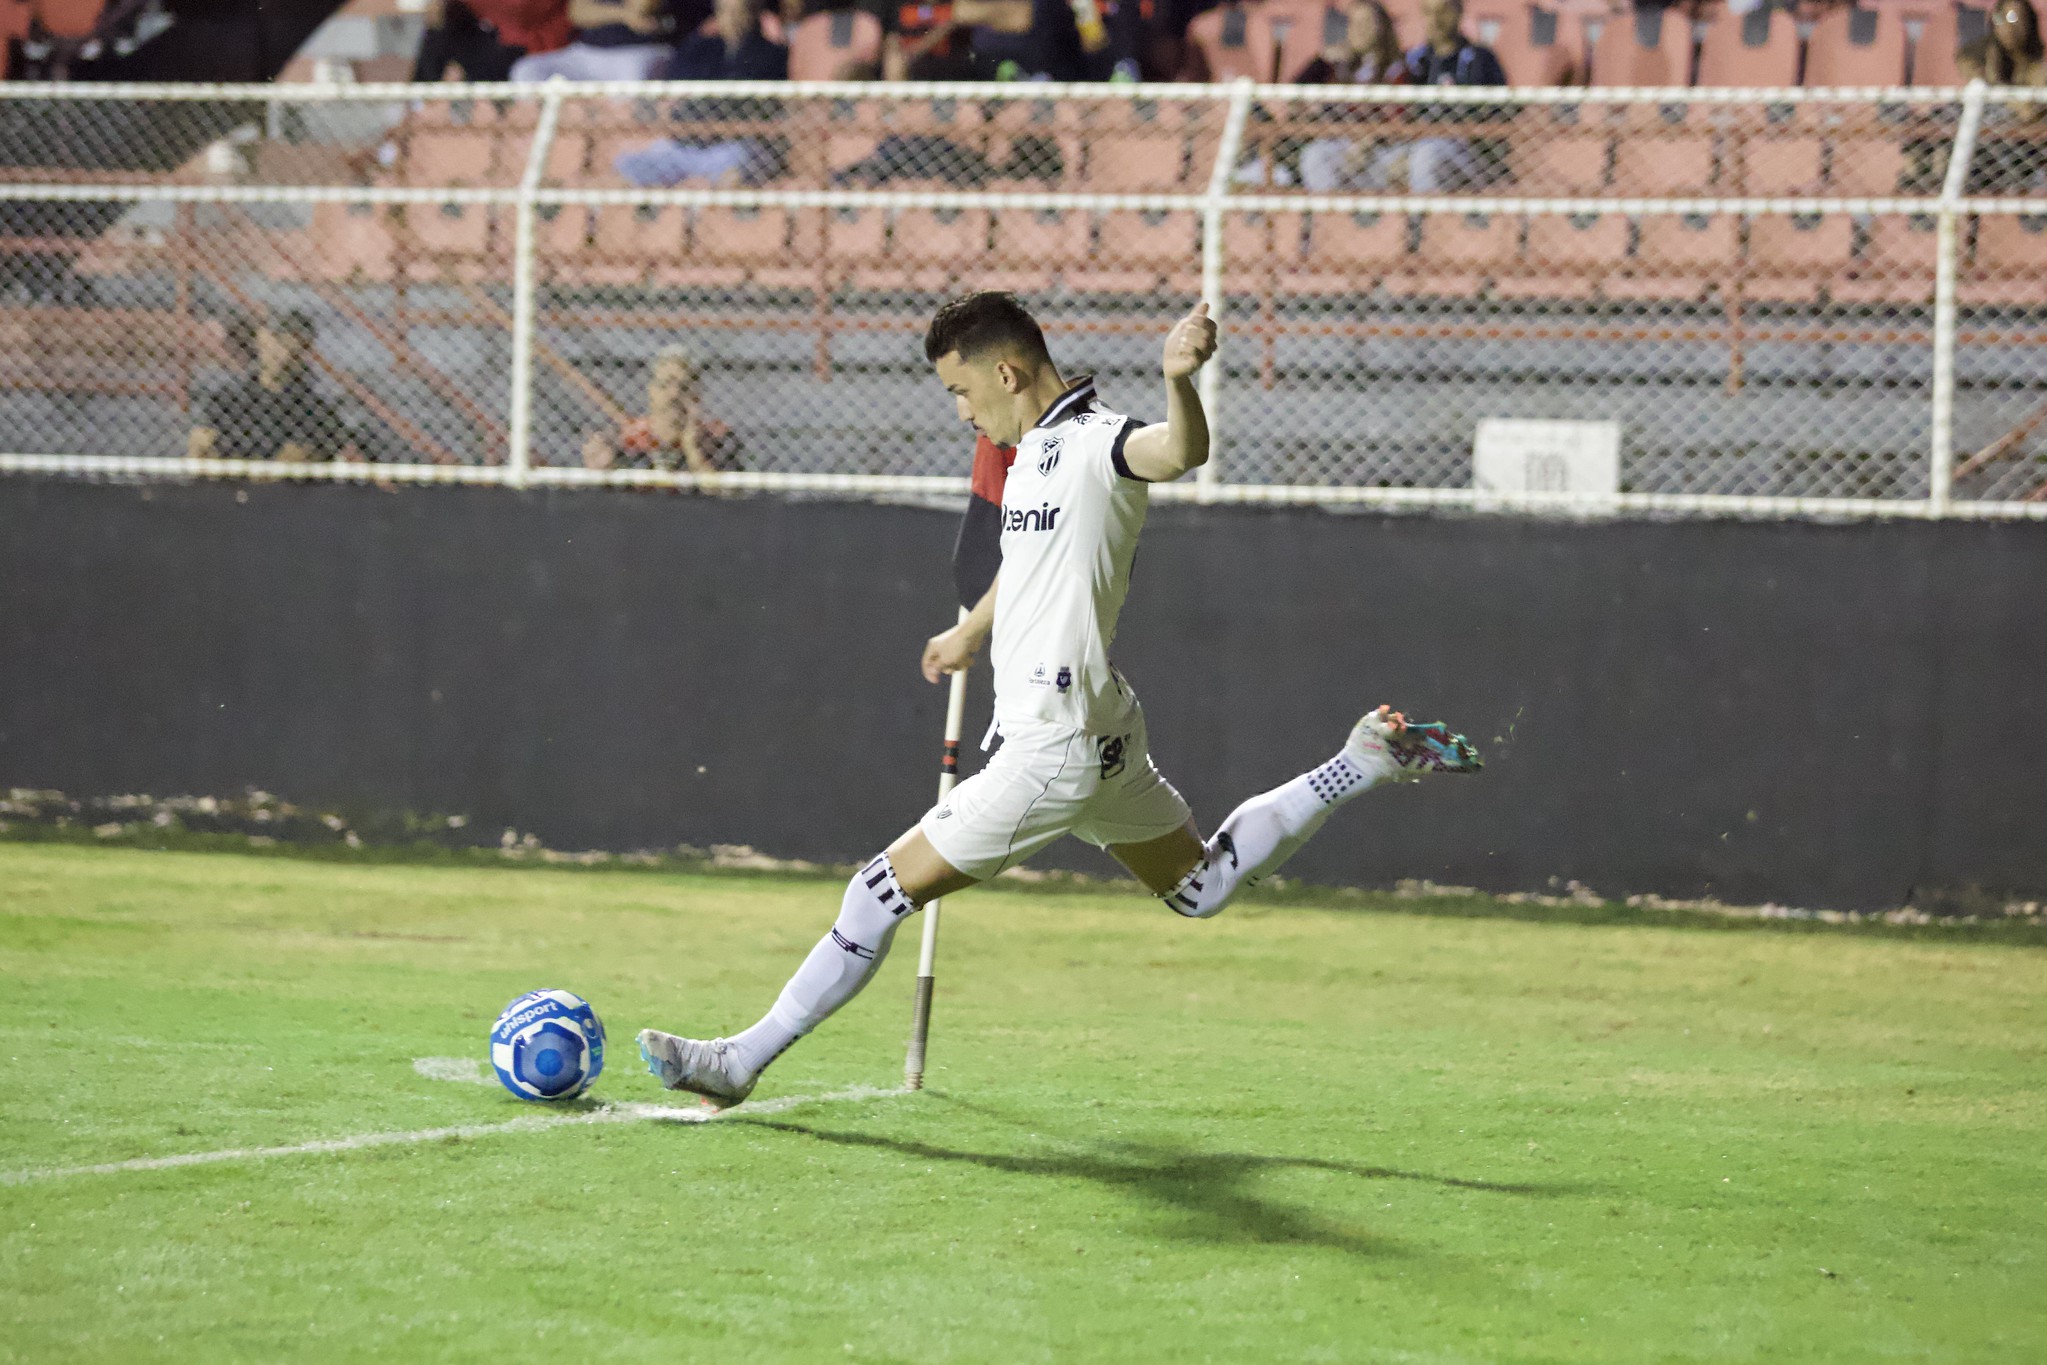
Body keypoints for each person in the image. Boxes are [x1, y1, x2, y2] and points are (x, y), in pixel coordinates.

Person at [636, 291, 1482, 1106]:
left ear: (1005, 374)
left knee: (874, 894)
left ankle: (736, 1061)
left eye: (960, 392)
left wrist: (1178, 380)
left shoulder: (1095, 441)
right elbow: (1033, 562)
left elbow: (1177, 452)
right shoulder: (1034, 453)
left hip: (1052, 743)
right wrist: (973, 629)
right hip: (1100, 726)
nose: (961, 413)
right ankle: (1357, 763)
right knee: (1198, 885)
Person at [613, 0, 790, 186]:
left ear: (754, 14)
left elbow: (757, 109)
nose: (732, 19)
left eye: (740, 12)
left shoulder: (772, 53)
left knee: (736, 173)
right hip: (688, 145)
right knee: (628, 167)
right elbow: (676, 90)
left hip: (731, 148)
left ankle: (715, 214)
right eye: (725, 12)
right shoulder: (701, 48)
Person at [188, 309, 359, 463]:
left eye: (291, 344)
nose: (283, 353)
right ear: (261, 339)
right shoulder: (229, 398)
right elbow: (204, 442)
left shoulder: (316, 409)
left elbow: (302, 454)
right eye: (277, 340)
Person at [1293, 0, 1411, 193]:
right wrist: (1321, 59)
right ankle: (1328, 218)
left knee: (1404, 160)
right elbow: (1294, 91)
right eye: (1354, 23)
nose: (1359, 29)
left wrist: (1369, 140)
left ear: (1382, 28)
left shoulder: (1397, 69)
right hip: (1345, 148)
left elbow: (1400, 117)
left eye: (1367, 23)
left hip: (1382, 151)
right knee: (1315, 154)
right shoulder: (1339, 67)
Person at [581, 346, 740, 472]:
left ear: (696, 394)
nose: (674, 394)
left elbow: (724, 494)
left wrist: (691, 448)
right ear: (651, 391)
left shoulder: (716, 438)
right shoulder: (628, 440)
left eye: (684, 387)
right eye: (665, 385)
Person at [507, 0, 680, 82]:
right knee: (526, 70)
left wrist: (605, 12)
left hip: (639, 52)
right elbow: (577, 13)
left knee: (629, 88)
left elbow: (641, 8)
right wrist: (622, 15)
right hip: (586, 51)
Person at [412, 0, 573, 82]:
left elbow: (521, 11)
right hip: (485, 38)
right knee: (437, 37)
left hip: (532, 48)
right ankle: (419, 104)